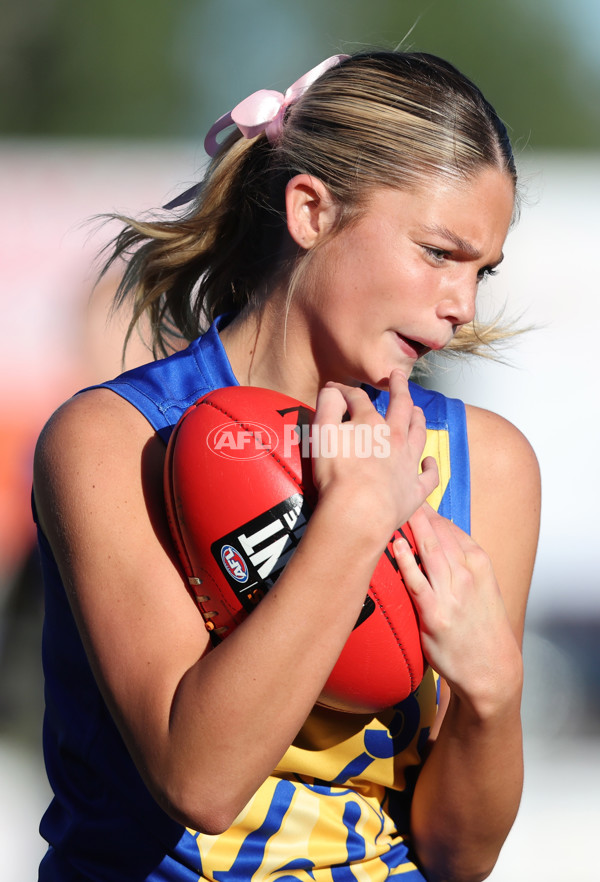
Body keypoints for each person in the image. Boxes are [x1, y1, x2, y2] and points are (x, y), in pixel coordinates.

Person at [32, 50, 540, 882]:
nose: (464, 305)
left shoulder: (489, 464)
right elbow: (199, 780)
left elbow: (460, 858)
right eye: (438, 253)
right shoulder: (115, 440)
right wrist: (352, 523)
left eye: (481, 270)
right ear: (310, 210)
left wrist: (495, 695)